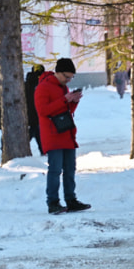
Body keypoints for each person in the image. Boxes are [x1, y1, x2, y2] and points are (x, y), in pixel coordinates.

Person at [35, 57, 90, 215]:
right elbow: (43, 111)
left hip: (66, 132)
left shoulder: (63, 88)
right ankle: (53, 202)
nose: (68, 80)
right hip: (52, 134)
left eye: (71, 77)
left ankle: (70, 200)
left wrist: (73, 101)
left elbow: (65, 111)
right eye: (66, 76)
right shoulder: (43, 87)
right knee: (55, 169)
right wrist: (64, 99)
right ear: (57, 73)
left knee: (70, 169)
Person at [24, 64, 44, 154]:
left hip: (28, 111)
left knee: (35, 129)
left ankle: (43, 149)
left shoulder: (25, 84)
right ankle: (43, 150)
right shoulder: (40, 84)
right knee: (35, 130)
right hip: (37, 111)